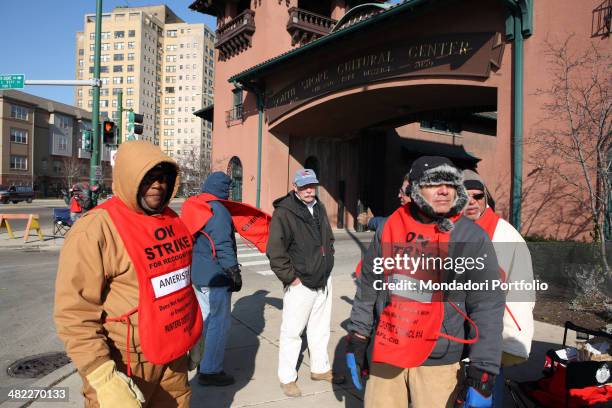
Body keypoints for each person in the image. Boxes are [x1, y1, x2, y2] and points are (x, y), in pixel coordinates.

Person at [347, 156, 505, 408]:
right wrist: (358, 335)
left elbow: (487, 305)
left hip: (438, 358)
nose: (444, 190)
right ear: (416, 188)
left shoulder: (471, 236)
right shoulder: (388, 228)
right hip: (389, 351)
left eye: (451, 184)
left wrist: (483, 370)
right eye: (434, 183)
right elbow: (369, 286)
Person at [54, 140, 202, 408]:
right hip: (127, 362)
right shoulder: (97, 229)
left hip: (173, 357)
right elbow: (74, 313)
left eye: (162, 178)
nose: (158, 185)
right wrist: (101, 375)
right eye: (148, 178)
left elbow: (180, 281)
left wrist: (194, 332)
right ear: (129, 178)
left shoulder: (171, 220)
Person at [266, 168, 344, 397]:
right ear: (295, 187)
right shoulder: (284, 213)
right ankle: (287, 377)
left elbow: (328, 238)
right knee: (292, 332)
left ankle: (320, 369)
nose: (309, 190)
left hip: (322, 279)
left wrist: (328, 260)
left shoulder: (318, 207)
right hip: (301, 283)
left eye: (312, 185)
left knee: (320, 329)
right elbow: (275, 251)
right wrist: (292, 279)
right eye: (304, 186)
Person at [463, 169, 535, 407]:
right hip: (459, 334)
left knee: (486, 393)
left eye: (478, 196)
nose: (472, 201)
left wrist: (508, 337)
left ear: (486, 198)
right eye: (465, 195)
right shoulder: (452, 230)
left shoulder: (505, 235)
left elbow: (519, 290)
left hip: (490, 334)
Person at [190, 171, 242, 386]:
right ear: (223, 189)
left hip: (199, 275)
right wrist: (234, 273)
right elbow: (223, 246)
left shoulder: (197, 206)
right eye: (228, 188)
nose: (229, 192)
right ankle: (211, 370)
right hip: (215, 276)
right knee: (218, 323)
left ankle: (202, 360)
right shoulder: (218, 211)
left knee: (205, 321)